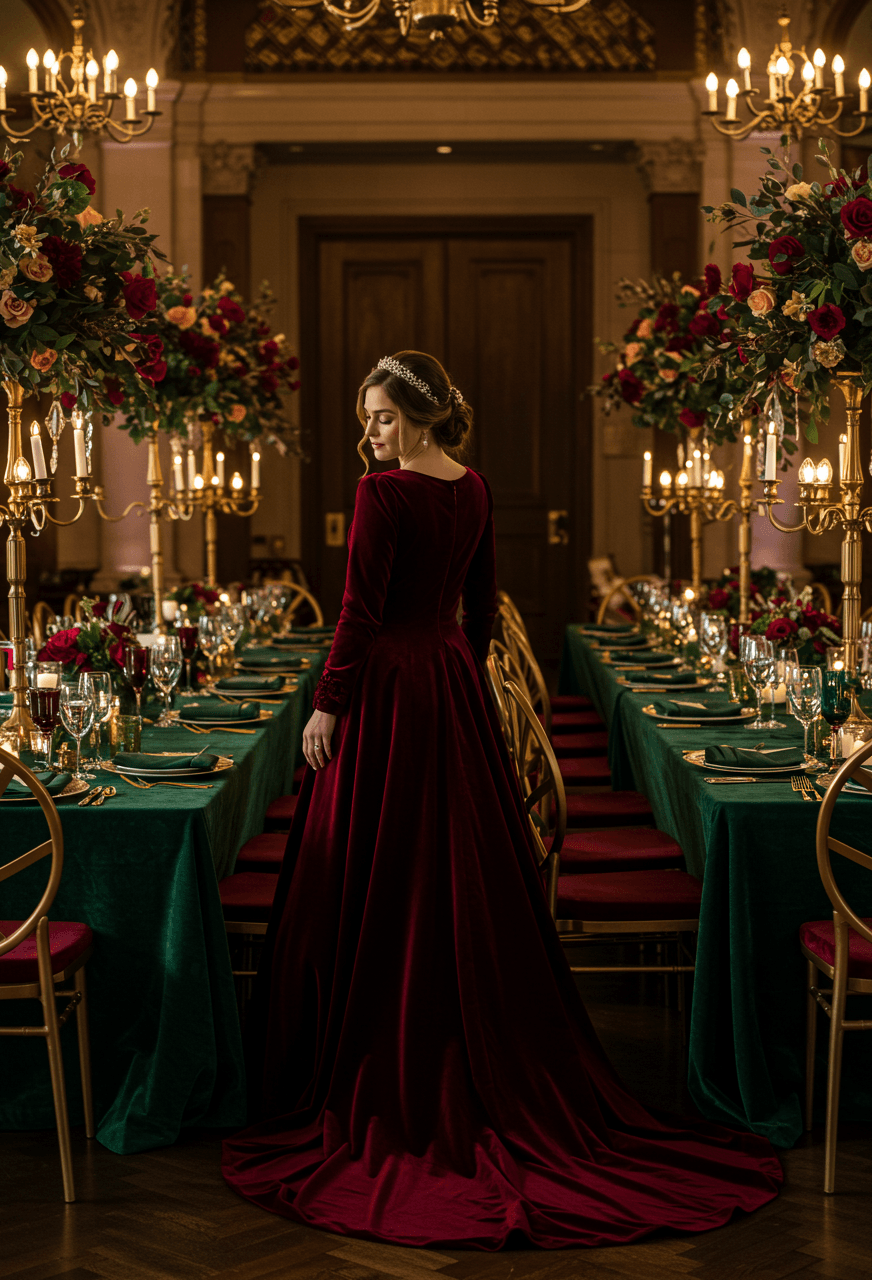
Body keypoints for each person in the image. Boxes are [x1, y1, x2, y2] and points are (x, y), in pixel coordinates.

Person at [222, 351, 782, 1249]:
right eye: (368, 419)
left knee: (386, 874)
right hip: (446, 680)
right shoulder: (474, 487)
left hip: (392, 691)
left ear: (424, 416)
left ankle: (391, 1052)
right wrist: (462, 682)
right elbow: (480, 611)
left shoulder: (386, 496)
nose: (371, 434)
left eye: (384, 418)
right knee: (453, 871)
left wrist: (329, 706)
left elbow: (359, 614)